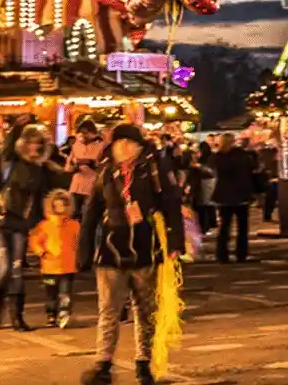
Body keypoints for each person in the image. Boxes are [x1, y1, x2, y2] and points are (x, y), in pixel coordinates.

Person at [77, 124, 184, 385]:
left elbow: (171, 203)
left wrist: (174, 243)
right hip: (112, 248)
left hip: (145, 246)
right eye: (119, 142)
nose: (124, 147)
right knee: (109, 311)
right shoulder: (105, 171)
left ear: (139, 146)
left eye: (129, 142)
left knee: (145, 309)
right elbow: (91, 212)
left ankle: (143, 364)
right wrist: (83, 249)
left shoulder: (153, 168)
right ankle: (103, 365)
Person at [0, 119, 64, 329]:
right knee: (3, 269)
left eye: (38, 143)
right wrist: (19, 126)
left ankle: (17, 317)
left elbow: (56, 188)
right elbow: (9, 145)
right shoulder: (9, 160)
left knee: (17, 269)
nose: (34, 147)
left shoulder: (41, 168)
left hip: (19, 224)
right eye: (30, 142)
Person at [31, 189, 80, 328]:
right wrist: (42, 252)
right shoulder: (44, 225)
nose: (60, 208)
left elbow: (78, 242)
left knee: (65, 293)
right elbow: (35, 240)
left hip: (67, 267)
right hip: (49, 268)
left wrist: (79, 257)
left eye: (62, 205)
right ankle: (51, 314)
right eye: (56, 205)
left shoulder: (74, 225)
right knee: (50, 293)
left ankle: (64, 313)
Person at [210, 134, 258, 263]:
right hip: (241, 194)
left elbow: (217, 171)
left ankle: (222, 254)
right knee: (242, 227)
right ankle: (241, 254)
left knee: (224, 226)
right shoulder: (241, 155)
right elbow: (252, 168)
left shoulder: (218, 157)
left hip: (224, 195)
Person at [67, 119, 106, 218]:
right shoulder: (75, 146)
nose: (83, 135)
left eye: (86, 133)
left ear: (93, 133)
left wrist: (92, 163)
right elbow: (67, 167)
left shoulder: (101, 146)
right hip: (76, 186)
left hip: (91, 187)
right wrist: (74, 167)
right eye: (81, 132)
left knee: (88, 216)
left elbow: (103, 167)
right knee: (73, 214)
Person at [256, 139, 281, 223]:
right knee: (271, 198)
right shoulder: (271, 159)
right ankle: (267, 216)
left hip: (273, 180)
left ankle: (267, 216)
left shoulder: (266, 158)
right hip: (273, 180)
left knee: (270, 199)